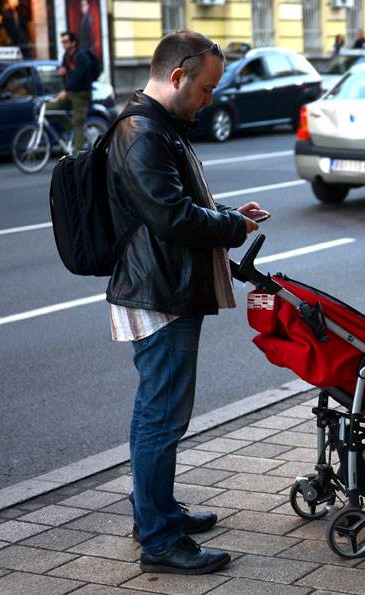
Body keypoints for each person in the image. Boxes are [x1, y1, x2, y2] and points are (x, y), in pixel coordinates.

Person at [106, 30, 268, 573]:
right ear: (176, 77)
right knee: (162, 416)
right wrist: (230, 226)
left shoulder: (157, 127)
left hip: (165, 286)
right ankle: (159, 539)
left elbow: (176, 201)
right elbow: (170, 218)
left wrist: (226, 212)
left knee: (156, 411)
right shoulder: (141, 132)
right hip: (160, 293)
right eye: (204, 88)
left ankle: (154, 511)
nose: (209, 99)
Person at [50, 31, 92, 152]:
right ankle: (69, 127)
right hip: (70, 92)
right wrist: (61, 71)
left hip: (81, 94)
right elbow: (65, 70)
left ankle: (76, 157)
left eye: (66, 42)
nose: (63, 44)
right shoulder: (66, 56)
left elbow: (78, 76)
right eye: (62, 42)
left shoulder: (81, 57)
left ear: (73, 43)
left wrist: (66, 90)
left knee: (78, 123)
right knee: (49, 108)